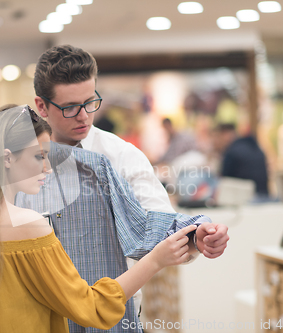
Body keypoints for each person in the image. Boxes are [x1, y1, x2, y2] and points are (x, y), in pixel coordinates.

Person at [21, 45, 229, 333]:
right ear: (41, 106)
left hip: (112, 319)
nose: (84, 116)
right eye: (70, 108)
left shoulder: (120, 157)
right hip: (40, 320)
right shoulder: (21, 164)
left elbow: (155, 223)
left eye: (90, 102)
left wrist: (196, 238)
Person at [0, 105, 198, 333]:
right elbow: (91, 307)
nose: (47, 168)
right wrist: (155, 260)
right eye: (39, 156)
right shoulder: (29, 226)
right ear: (7, 157)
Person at [212, 123, 269, 197]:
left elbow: (224, 184)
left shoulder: (232, 153)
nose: (214, 142)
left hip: (249, 200)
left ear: (225, 134)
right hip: (264, 196)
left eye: (217, 137)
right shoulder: (253, 147)